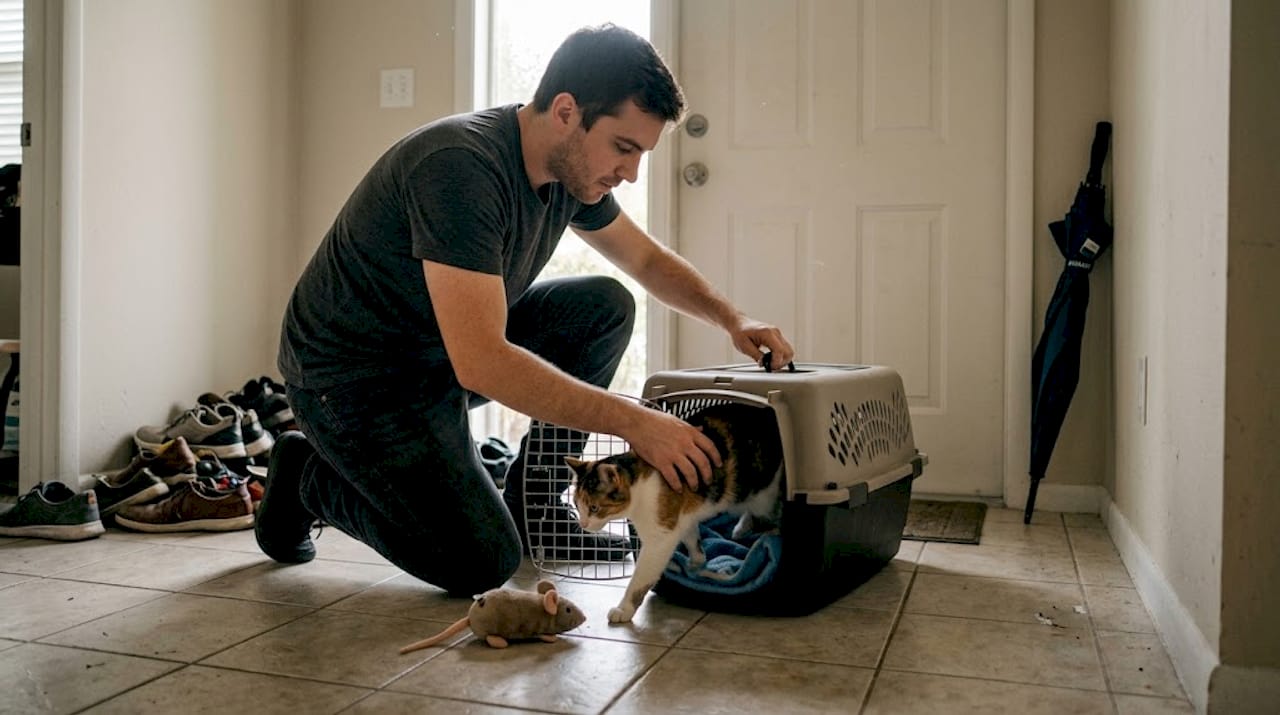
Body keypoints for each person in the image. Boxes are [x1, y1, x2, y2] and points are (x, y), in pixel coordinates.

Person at [256, 23, 795, 596]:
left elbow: (646, 262)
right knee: (479, 562)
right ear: (566, 111)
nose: (631, 173)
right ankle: (306, 479)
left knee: (602, 307)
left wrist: (733, 318)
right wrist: (635, 422)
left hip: (438, 354)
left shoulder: (568, 172)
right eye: (624, 147)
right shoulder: (459, 169)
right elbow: (484, 363)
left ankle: (536, 505)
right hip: (353, 382)